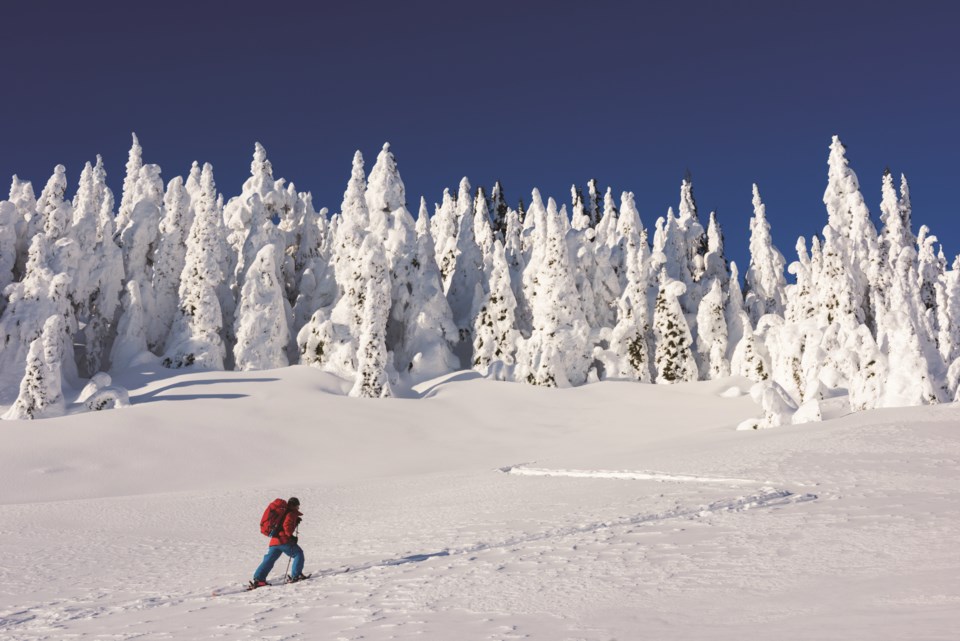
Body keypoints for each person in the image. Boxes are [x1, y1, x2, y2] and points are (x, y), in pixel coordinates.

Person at [250, 497, 306, 588]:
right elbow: (286, 526)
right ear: (294, 505)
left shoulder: (282, 512)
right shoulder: (290, 513)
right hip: (284, 540)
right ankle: (296, 575)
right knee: (298, 554)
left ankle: (259, 580)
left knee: (269, 560)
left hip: (274, 541)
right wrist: (291, 536)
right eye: (297, 506)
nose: (298, 508)